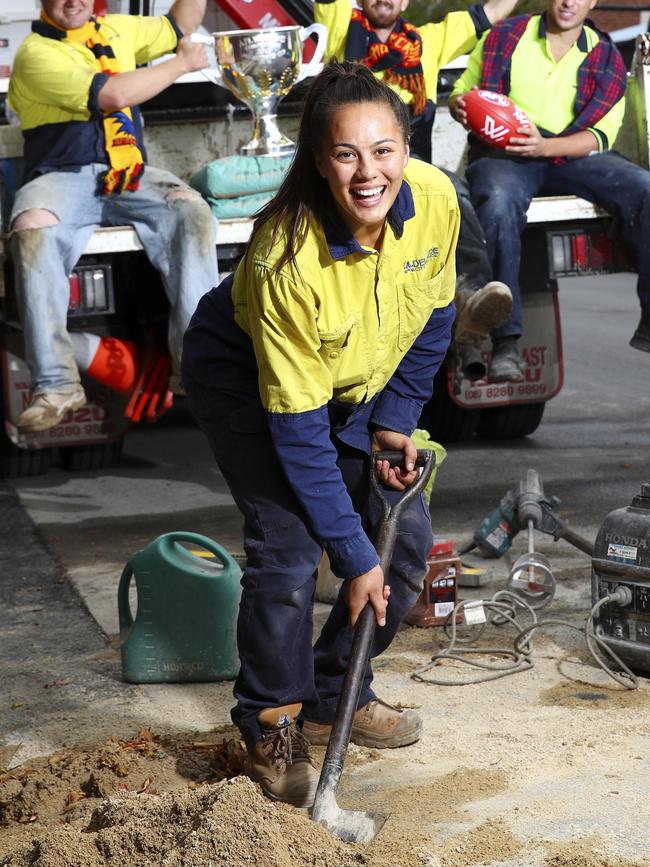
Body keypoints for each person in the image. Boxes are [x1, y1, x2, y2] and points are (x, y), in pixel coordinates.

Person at [182, 61, 458, 809]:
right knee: (292, 545)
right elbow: (300, 436)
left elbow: (434, 319)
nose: (369, 172)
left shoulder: (435, 199)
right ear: (318, 160)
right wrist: (351, 551)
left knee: (403, 547)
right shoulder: (288, 256)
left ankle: (338, 693)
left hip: (355, 383)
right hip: (249, 377)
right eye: (346, 154)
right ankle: (272, 720)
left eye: (384, 150)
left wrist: (395, 421)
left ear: (407, 145)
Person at [8, 0, 219, 434]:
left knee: (190, 210)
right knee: (32, 228)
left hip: (129, 174)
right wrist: (181, 64)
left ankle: (197, 371)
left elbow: (179, 23)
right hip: (61, 174)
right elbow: (113, 95)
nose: (73, 2)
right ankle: (56, 384)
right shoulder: (35, 52)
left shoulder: (118, 30)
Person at [314, 0, 520, 379]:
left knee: (454, 192)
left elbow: (493, 11)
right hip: (358, 176)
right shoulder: (341, 24)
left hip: (412, 171)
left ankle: (470, 296)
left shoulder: (430, 40)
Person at [449, 0, 650, 381]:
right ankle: (506, 341)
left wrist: (546, 147)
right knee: (496, 199)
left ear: (592, 1)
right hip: (507, 153)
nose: (569, 2)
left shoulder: (605, 53)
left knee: (645, 187)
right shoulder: (506, 37)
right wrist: (463, 105)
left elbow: (598, 136)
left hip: (571, 152)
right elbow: (464, 91)